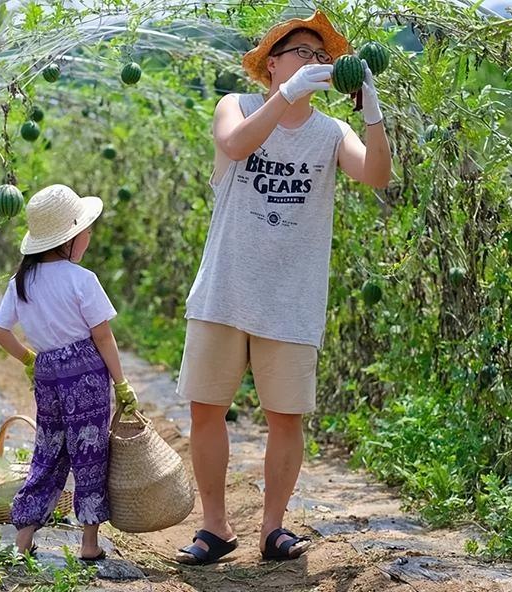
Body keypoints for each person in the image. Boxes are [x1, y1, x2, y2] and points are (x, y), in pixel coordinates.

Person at [176, 10, 391, 564]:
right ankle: (215, 526)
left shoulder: (331, 131)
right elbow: (238, 143)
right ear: (273, 64)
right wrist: (284, 96)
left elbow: (376, 176)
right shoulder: (237, 106)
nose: (314, 63)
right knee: (206, 410)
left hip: (291, 298)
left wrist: (372, 115)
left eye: (322, 57)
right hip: (224, 289)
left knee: (285, 418)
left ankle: (273, 528)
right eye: (302, 52)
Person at [0, 184, 138, 561]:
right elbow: (103, 338)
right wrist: (121, 383)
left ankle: (22, 538)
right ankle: (89, 545)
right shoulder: (82, 280)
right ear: (69, 239)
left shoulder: (21, 282)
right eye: (85, 230)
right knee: (90, 453)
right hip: (87, 374)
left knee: (49, 451)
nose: (88, 235)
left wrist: (29, 359)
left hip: (47, 373)